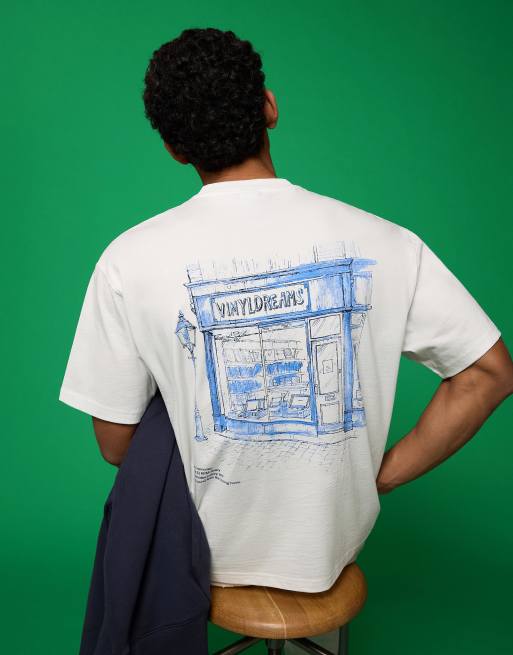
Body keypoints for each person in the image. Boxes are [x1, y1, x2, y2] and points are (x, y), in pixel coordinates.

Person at [59, 27, 513, 593]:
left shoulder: (126, 260)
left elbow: (115, 445)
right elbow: (490, 373)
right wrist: (382, 476)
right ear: (269, 107)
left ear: (175, 148)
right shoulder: (388, 243)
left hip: (197, 550)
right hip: (331, 545)